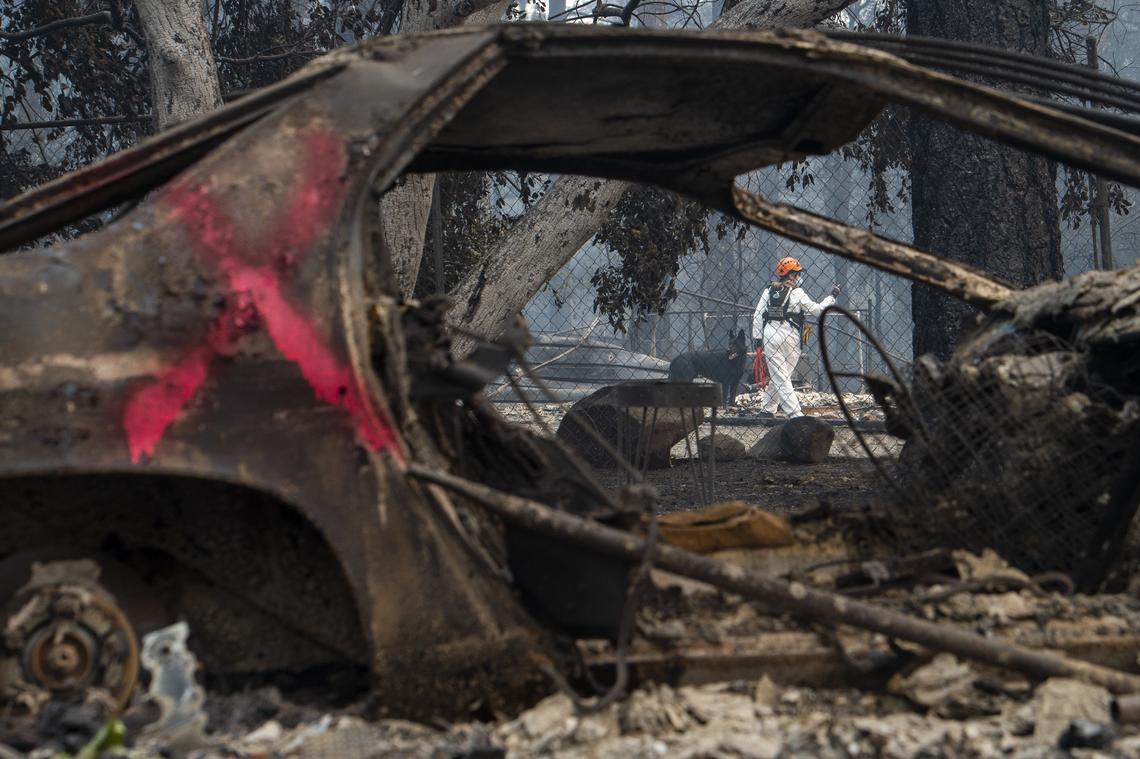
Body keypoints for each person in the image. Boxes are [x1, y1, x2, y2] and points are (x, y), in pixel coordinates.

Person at [751, 257, 840, 418]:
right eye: (798, 274)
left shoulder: (768, 291)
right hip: (791, 336)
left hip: (770, 334)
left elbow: (757, 316)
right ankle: (795, 414)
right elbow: (818, 311)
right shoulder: (798, 293)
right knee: (783, 375)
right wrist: (832, 297)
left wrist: (757, 338)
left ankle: (767, 409)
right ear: (791, 276)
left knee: (780, 374)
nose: (799, 277)